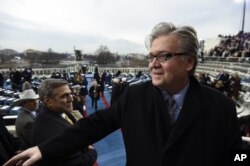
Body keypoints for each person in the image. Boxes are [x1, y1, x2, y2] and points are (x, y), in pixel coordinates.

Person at [4, 22, 242, 166]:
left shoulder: (221, 107)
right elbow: (92, 126)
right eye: (151, 56)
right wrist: (45, 149)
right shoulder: (134, 96)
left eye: (164, 56)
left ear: (189, 62)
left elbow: (235, 157)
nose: (152, 64)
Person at [32, 78, 97, 166]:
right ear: (48, 101)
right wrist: (92, 152)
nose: (71, 99)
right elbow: (78, 164)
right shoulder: (50, 129)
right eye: (64, 96)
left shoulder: (59, 113)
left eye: (70, 94)